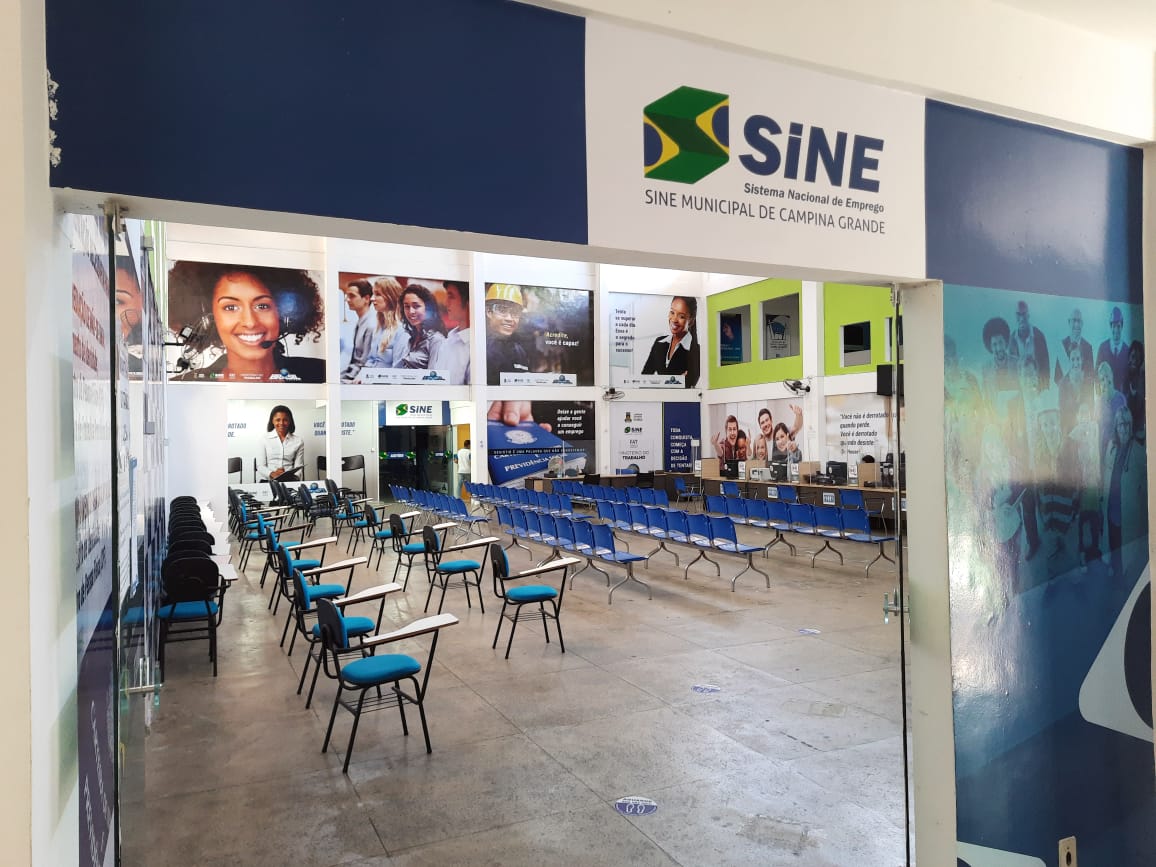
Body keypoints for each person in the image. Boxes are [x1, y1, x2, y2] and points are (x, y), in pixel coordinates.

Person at [168, 261, 324, 382]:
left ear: (282, 314)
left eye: (262, 306)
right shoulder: (184, 385)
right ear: (210, 317)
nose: (250, 322)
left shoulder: (321, 373)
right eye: (231, 307)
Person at [1102, 405, 1146, 578]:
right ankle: (1114, 570)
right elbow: (1106, 473)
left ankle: (1121, 576)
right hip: (1111, 509)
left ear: (1131, 426)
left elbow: (1145, 480)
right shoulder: (1111, 447)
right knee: (1112, 543)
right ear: (1116, 426)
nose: (1124, 429)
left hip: (1126, 512)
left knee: (1123, 548)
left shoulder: (1137, 451)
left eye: (1127, 424)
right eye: (1121, 424)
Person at [640, 295, 700, 388]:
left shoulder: (696, 351)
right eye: (672, 312)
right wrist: (677, 380)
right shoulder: (659, 342)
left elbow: (689, 384)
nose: (674, 319)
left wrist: (657, 382)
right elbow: (643, 379)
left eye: (681, 316)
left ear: (691, 321)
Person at [388, 283, 446, 369]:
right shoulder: (411, 338)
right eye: (407, 307)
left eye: (416, 306)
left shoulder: (436, 340)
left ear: (428, 308)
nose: (411, 311)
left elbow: (433, 375)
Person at [485, 283, 531, 384]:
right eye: (502, 310)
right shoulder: (479, 348)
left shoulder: (519, 351)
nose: (509, 318)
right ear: (489, 311)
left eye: (515, 313)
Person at [429, 280, 471, 384]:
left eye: (451, 297)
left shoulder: (475, 346)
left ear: (468, 302)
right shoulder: (447, 342)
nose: (445, 303)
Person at [360, 276, 403, 374]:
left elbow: (398, 369)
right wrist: (361, 376)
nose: (372, 299)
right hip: (370, 377)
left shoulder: (401, 329)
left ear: (391, 297)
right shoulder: (379, 327)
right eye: (373, 294)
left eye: (378, 294)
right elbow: (371, 359)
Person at [1008, 300, 1049, 391]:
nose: (1021, 318)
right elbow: (1012, 372)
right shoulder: (1012, 340)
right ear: (1015, 316)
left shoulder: (1039, 336)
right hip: (1021, 392)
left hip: (1038, 390)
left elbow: (1046, 369)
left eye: (1024, 314)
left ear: (1028, 315)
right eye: (1018, 315)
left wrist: (1044, 392)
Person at [340, 278, 375, 382]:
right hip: (350, 373)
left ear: (366, 299)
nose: (347, 300)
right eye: (347, 296)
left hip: (358, 378)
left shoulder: (371, 325)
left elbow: (364, 363)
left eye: (352, 296)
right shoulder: (361, 321)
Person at [258, 405, 304, 482]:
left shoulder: (298, 441)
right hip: (269, 481)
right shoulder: (264, 439)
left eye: (285, 420)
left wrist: (294, 479)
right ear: (272, 421)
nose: (281, 423)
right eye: (278, 420)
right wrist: (273, 474)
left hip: (290, 480)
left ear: (289, 421)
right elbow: (260, 466)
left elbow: (298, 466)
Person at [1053, 308, 1092, 386]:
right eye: (1074, 320)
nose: (1076, 324)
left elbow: (1090, 377)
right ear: (1069, 322)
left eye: (1079, 321)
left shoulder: (1088, 347)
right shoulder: (1062, 345)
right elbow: (1057, 378)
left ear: (1082, 324)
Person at [1096, 305, 1130, 391]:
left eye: (1118, 326)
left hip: (1122, 396)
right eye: (1113, 326)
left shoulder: (1127, 350)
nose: (1116, 330)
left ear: (1122, 326)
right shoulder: (1103, 348)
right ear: (1110, 327)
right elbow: (1096, 374)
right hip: (1105, 394)